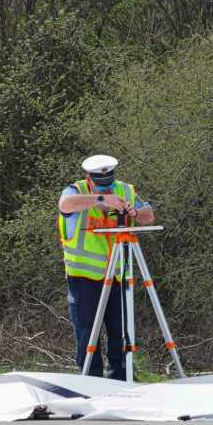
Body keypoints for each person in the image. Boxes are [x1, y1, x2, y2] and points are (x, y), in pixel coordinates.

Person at [58, 155, 153, 379]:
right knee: (86, 331)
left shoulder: (126, 190)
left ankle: (120, 378)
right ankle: (91, 381)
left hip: (118, 276)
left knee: (119, 330)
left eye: (109, 185)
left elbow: (148, 215)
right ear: (89, 180)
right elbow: (65, 205)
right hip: (84, 278)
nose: (108, 189)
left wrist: (135, 212)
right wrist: (100, 199)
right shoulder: (74, 191)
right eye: (101, 186)